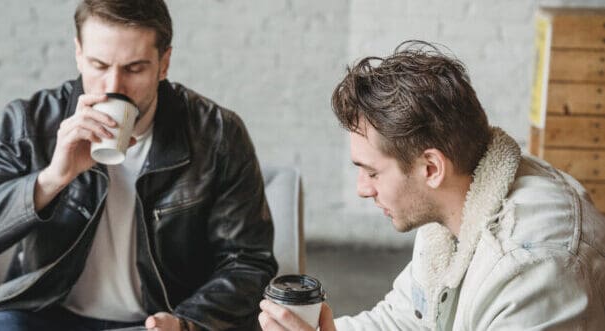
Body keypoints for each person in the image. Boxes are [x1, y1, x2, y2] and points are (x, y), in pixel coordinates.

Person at [0, 0, 278, 330]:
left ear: (164, 64)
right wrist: (53, 179)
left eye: (134, 68)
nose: (115, 86)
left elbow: (248, 261)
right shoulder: (31, 124)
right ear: (79, 55)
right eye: (99, 65)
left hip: (159, 319)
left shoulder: (217, 133)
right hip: (41, 314)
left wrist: (187, 323)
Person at [259, 40, 605, 330]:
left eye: (373, 172)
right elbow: (403, 321)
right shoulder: (452, 210)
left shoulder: (535, 268)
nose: (362, 189)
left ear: (431, 167)